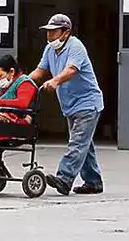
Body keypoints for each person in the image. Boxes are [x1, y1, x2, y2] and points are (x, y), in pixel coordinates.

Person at [30, 14, 105, 196]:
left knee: (77, 143)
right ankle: (93, 182)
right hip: (70, 105)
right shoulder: (50, 50)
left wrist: (55, 81)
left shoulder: (75, 46)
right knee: (84, 144)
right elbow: (40, 72)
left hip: (87, 102)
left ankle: (64, 178)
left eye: (53, 32)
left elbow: (71, 70)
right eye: (48, 32)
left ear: (66, 33)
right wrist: (20, 83)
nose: (49, 36)